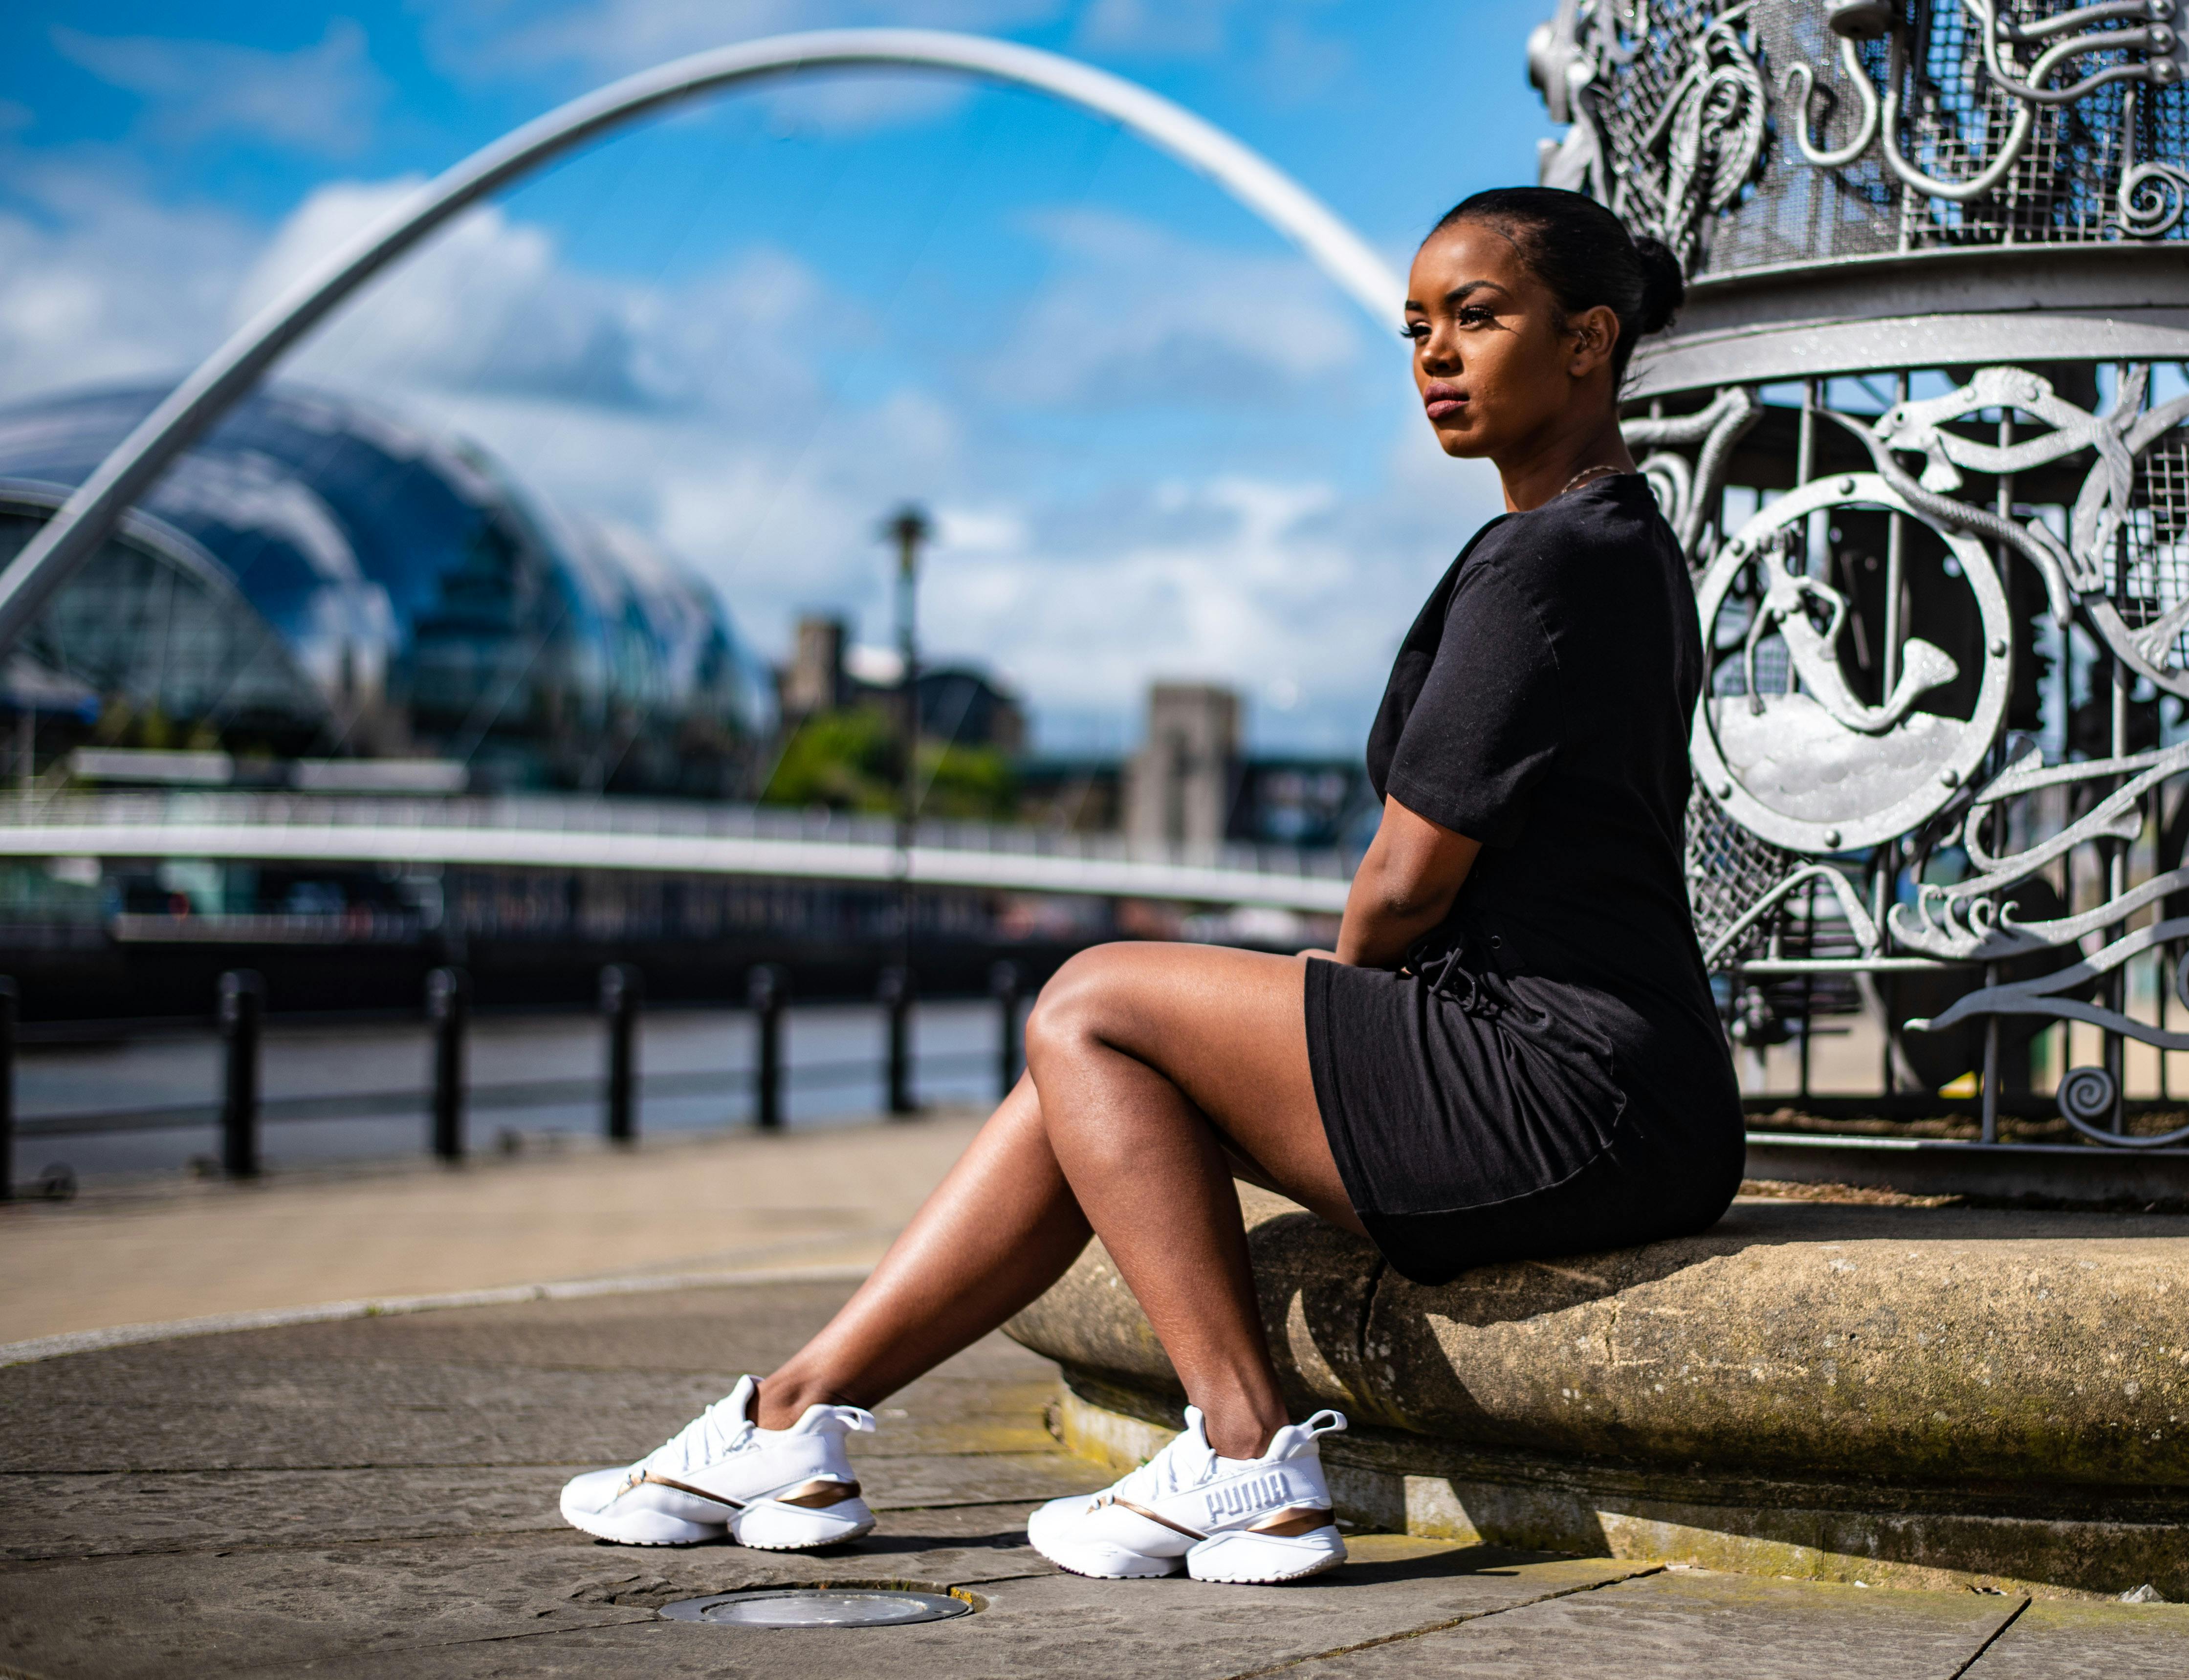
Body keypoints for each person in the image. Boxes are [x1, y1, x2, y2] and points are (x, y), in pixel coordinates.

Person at [557, 185, 1745, 1586]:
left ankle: (1248, 1459)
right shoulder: (1625, 544)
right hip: (1636, 1094)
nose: (1435, 354)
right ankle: (789, 1419)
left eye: (1477, 319)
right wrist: (1315, 1051)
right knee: (1090, 1074)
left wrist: (1336, 1028)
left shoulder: (1544, 563)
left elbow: (1407, 881)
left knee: (1093, 1000)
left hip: (1560, 1086)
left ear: (1591, 340)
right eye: (1416, 327)